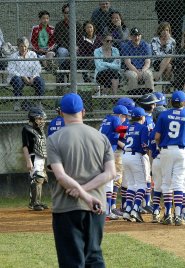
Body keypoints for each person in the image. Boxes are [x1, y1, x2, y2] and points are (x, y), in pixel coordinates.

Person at [47, 93, 116, 267]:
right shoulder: (101, 137)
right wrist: (86, 191)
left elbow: (61, 176)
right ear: (83, 112)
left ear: (61, 113)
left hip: (66, 207)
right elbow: (110, 173)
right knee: (94, 256)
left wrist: (82, 193)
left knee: (71, 260)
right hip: (97, 206)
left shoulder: (54, 139)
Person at [154, 90, 185, 226]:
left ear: (171, 102)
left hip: (166, 150)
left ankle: (167, 215)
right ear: (184, 102)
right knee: (179, 183)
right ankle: (178, 216)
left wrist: (160, 147)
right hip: (181, 151)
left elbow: (157, 137)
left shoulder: (163, 115)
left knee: (166, 183)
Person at [99, 104, 129, 220]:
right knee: (109, 182)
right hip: (106, 152)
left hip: (100, 150)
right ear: (121, 115)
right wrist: (132, 130)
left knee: (107, 181)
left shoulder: (106, 119)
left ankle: (107, 210)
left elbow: (114, 135)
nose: (125, 119)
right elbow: (120, 130)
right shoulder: (116, 119)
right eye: (124, 117)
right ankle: (107, 212)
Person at [122, 107, 149, 223]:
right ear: (142, 117)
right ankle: (135, 208)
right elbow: (144, 145)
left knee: (132, 185)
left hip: (125, 155)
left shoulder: (129, 128)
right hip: (136, 156)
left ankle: (127, 210)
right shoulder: (143, 127)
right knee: (142, 185)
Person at [7, 37, 45, 111]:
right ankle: (17, 102)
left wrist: (33, 77)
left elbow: (37, 68)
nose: (23, 48)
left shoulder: (33, 54)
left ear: (27, 46)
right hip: (18, 77)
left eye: (25, 46)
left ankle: (38, 102)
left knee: (40, 81)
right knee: (16, 81)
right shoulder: (13, 56)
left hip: (31, 77)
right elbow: (11, 70)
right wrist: (23, 76)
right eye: (21, 46)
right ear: (18, 46)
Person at [22, 107, 48, 211]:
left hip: (41, 158)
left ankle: (38, 201)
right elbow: (25, 146)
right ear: (33, 119)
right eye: (39, 119)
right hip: (33, 156)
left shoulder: (40, 130)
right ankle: (34, 203)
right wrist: (28, 161)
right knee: (37, 177)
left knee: (42, 179)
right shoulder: (27, 129)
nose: (42, 121)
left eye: (42, 119)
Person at [137, 93, 159, 213]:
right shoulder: (144, 118)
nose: (155, 105)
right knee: (145, 178)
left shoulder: (148, 117)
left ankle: (146, 203)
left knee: (147, 177)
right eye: (153, 103)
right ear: (150, 105)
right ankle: (144, 203)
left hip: (147, 151)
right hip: (145, 151)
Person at [121, 27, 154, 94]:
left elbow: (147, 62)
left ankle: (150, 96)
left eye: (138, 35)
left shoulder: (145, 45)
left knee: (148, 74)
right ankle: (134, 98)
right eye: (134, 35)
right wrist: (137, 72)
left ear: (141, 36)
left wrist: (142, 71)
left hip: (143, 69)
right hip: (130, 70)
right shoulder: (126, 46)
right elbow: (128, 63)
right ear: (130, 36)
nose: (137, 38)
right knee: (133, 76)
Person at [148, 105, 167, 223]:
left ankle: (155, 212)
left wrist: (150, 166)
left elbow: (150, 151)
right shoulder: (167, 130)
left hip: (155, 161)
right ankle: (167, 213)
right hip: (165, 159)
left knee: (157, 187)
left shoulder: (152, 131)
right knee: (168, 186)